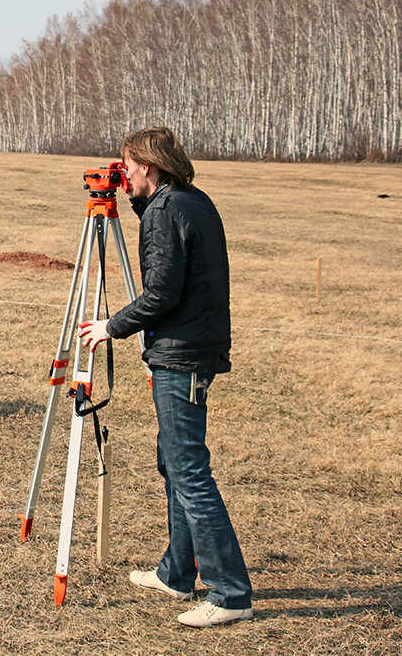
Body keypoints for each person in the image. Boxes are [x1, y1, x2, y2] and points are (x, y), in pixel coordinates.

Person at [78, 127, 253, 628]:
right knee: (174, 465)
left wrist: (111, 326)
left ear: (148, 168)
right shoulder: (189, 200)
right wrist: (135, 202)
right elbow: (172, 257)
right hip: (193, 347)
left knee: (190, 472)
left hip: (182, 356)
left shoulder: (166, 211)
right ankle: (177, 572)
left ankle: (230, 593)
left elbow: (160, 293)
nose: (121, 173)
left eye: (127, 166)